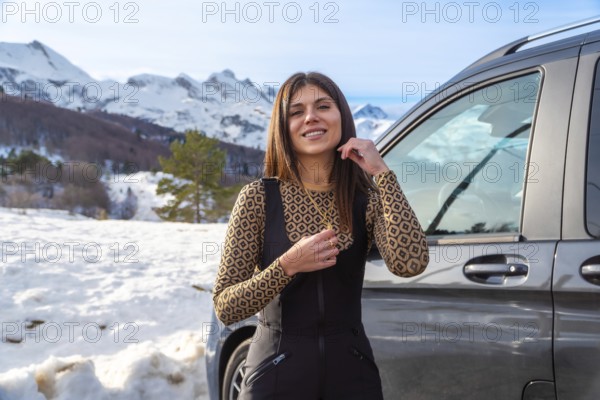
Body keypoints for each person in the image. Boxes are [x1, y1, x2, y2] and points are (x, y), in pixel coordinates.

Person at [213, 72, 429, 399]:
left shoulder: (364, 199)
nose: (311, 117)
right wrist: (287, 265)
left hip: (352, 376)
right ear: (283, 128)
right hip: (275, 375)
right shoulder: (258, 198)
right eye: (296, 111)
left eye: (323, 106)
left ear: (341, 116)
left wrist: (383, 175)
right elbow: (226, 307)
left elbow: (410, 262)